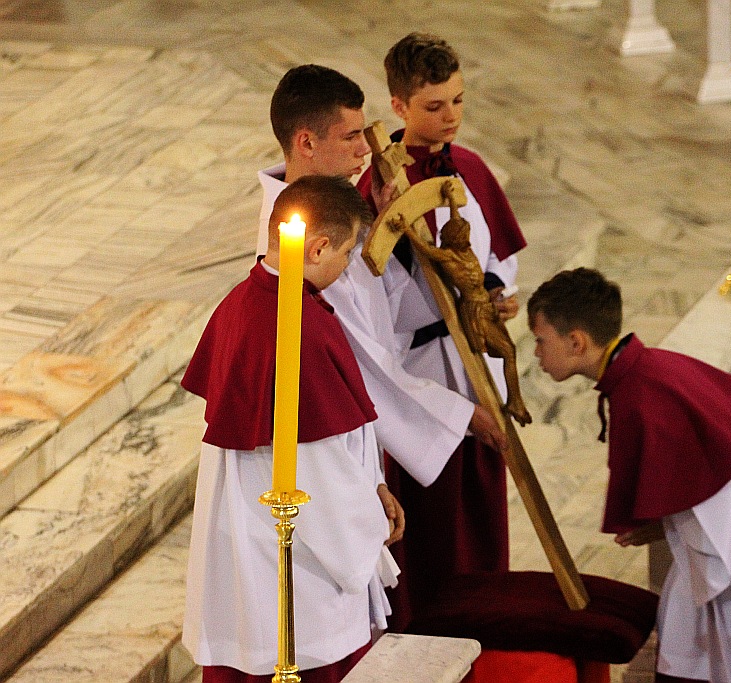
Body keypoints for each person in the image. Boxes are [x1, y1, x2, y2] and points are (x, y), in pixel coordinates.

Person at [257, 64, 508, 627]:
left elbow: (393, 310)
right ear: (306, 142)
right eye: (350, 139)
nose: (364, 151)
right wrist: (462, 414)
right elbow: (364, 363)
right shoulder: (301, 244)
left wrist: (412, 243)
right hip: (337, 448)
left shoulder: (338, 209)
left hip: (368, 436)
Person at [527, 268, 731, 683]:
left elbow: (700, 487)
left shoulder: (640, 392)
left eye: (539, 340)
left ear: (576, 341)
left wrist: (659, 523)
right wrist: (659, 522)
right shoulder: (646, 368)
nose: (535, 354)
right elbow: (689, 473)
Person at [181, 176, 401, 683]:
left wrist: (376, 482)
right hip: (297, 560)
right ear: (318, 245)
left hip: (250, 541)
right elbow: (318, 470)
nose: (347, 267)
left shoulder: (242, 302)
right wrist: (368, 526)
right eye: (346, 252)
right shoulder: (294, 325)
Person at [356, 33, 528, 618]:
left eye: (458, 100)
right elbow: (370, 297)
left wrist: (498, 297)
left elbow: (498, 259)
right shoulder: (373, 189)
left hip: (476, 363)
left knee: (482, 518)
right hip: (421, 376)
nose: (451, 116)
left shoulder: (472, 169)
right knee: (432, 532)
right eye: (434, 106)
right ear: (399, 106)